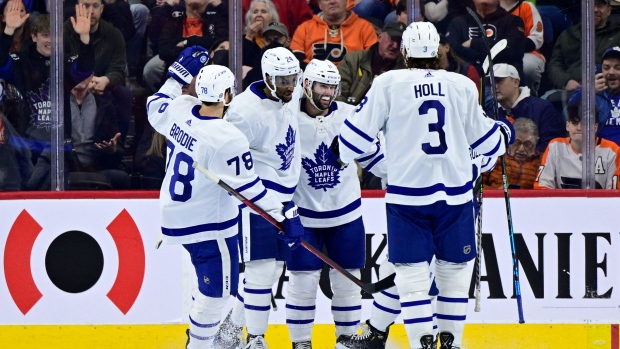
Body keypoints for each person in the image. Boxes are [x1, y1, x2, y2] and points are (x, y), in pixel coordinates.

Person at [334, 22, 513, 349]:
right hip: (456, 198)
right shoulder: (461, 85)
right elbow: (489, 143)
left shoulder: (388, 82)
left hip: (408, 198)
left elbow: (353, 140)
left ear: (405, 52)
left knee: (411, 277)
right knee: (454, 277)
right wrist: (504, 135)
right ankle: (446, 342)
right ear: (438, 50)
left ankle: (416, 341)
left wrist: (353, 157)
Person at [147, 49, 304, 349]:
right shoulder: (226, 136)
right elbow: (251, 191)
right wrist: (285, 216)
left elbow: (155, 104)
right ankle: (200, 344)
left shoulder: (180, 108)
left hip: (174, 217)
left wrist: (174, 76)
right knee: (218, 295)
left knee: (205, 286)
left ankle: (197, 338)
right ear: (228, 95)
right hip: (211, 224)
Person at [286, 59, 386, 349]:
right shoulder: (287, 115)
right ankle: (301, 343)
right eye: (321, 85)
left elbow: (373, 159)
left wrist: (404, 175)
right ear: (307, 85)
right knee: (303, 284)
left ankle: (346, 340)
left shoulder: (350, 116)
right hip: (303, 217)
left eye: (331, 86)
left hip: (346, 215)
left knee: (348, 283)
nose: (327, 92)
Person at [221, 47, 304, 349]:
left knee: (272, 271)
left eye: (293, 79)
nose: (290, 86)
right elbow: (228, 162)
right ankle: (255, 339)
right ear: (267, 77)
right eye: (283, 81)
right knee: (260, 269)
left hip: (283, 199)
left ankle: (232, 327)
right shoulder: (244, 111)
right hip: (254, 201)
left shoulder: (290, 94)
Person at [0, 3, 95, 189]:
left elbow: (85, 69)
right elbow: (2, 65)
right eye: (45, 35)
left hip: (59, 149)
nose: (51, 40)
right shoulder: (21, 61)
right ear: (34, 37)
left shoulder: (63, 62)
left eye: (55, 35)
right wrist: (8, 31)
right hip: (25, 148)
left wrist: (84, 38)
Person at [534, 103, 620, 189]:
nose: (579, 128)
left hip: (598, 202)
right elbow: (542, 186)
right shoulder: (555, 146)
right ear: (567, 126)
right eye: (574, 123)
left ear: (595, 127)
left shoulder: (612, 150)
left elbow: (614, 193)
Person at [547, 0, 620, 91]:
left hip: (609, 90)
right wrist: (566, 81)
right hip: (570, 91)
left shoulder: (617, 34)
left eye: (600, 5)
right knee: (543, 102)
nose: (595, 9)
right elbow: (554, 65)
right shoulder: (567, 35)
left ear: (609, 10)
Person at [492, 63, 565, 152]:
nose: (494, 86)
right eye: (491, 82)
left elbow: (552, 146)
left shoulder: (543, 108)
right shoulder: (490, 114)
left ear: (515, 82)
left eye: (499, 81)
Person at [445, 0, 526, 80]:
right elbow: (452, 52)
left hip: (502, 83)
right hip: (466, 81)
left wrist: (474, 43)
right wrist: (488, 52)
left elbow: (513, 51)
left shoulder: (513, 21)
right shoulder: (457, 23)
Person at [336, 21, 406, 106]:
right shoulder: (353, 60)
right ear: (379, 37)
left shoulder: (405, 71)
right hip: (349, 113)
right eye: (392, 39)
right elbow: (337, 94)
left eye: (400, 42)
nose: (395, 46)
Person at [290, 0, 377, 66]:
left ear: (346, 1)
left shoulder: (365, 27)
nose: (332, 1)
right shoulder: (305, 28)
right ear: (320, 5)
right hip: (313, 80)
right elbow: (296, 61)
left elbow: (372, 62)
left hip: (353, 82)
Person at [567, 46, 620, 146]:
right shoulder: (591, 93)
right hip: (597, 154)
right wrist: (587, 92)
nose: (611, 72)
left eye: (618, 68)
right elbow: (567, 114)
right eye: (606, 68)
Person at [500, 0, 546, 95]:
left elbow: (537, 39)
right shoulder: (489, 7)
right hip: (495, 53)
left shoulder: (526, 7)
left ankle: (531, 95)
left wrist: (513, 47)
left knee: (528, 66)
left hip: (527, 53)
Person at [484, 117, 542, 189]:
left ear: (536, 141)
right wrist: (497, 192)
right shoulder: (494, 157)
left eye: (527, 144)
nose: (521, 149)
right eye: (517, 143)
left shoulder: (542, 161)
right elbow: (478, 187)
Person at [241, 0, 313, 37]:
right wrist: (248, 38)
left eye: (263, 11)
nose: (259, 14)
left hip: (286, 49)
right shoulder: (243, 2)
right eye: (256, 12)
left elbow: (307, 29)